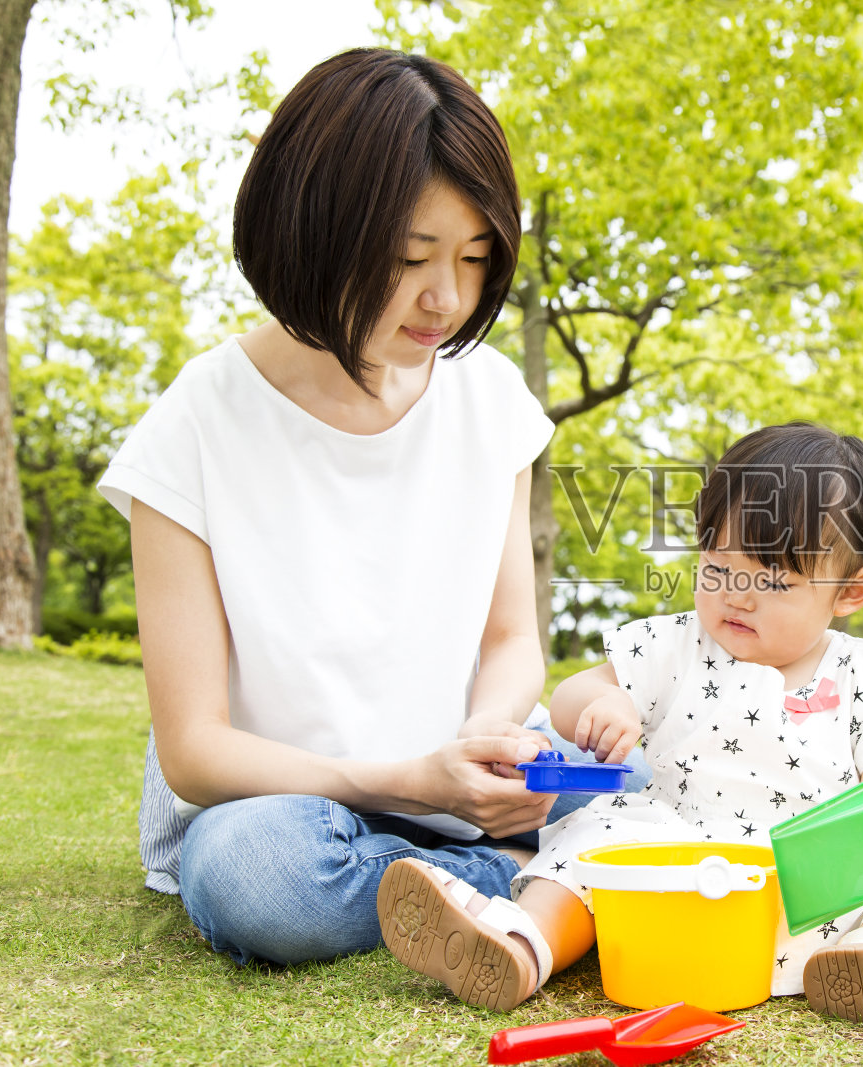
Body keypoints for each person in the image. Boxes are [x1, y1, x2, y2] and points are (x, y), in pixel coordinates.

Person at [95, 47, 644, 968]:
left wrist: (486, 734)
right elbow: (193, 748)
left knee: (661, 768)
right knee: (256, 879)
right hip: (284, 801)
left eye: (474, 258)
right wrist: (398, 780)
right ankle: (535, 882)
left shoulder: (490, 396)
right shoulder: (196, 423)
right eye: (409, 258)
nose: (448, 299)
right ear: (313, 231)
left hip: (452, 764)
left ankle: (484, 868)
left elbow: (512, 642)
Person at [376, 422, 863, 1022]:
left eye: (773, 576)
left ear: (851, 591)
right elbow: (574, 693)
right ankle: (520, 941)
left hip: (811, 883)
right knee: (600, 828)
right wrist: (609, 706)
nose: (735, 592)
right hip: (676, 861)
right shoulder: (676, 645)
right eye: (719, 562)